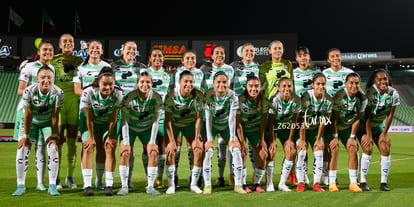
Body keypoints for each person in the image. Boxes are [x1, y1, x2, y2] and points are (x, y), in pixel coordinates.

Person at [12, 65, 64, 196]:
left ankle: (52, 185)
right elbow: (28, 114)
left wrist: (53, 135)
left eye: (49, 77)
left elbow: (54, 116)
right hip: (33, 121)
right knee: (22, 148)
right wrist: (26, 135)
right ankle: (20, 185)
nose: (46, 80)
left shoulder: (58, 93)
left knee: (53, 148)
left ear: (53, 79)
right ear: (37, 79)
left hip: (47, 122)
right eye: (43, 77)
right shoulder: (29, 91)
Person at [13, 41, 55, 191]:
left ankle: (40, 183)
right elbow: (20, 90)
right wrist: (36, 92)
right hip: (26, 111)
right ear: (38, 52)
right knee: (23, 146)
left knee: (42, 148)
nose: (48, 52)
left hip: (44, 112)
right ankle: (20, 184)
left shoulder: (52, 68)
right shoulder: (29, 67)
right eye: (45, 50)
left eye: (50, 50)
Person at [79, 67, 124, 196]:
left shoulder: (119, 94)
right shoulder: (88, 92)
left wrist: (110, 135)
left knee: (109, 147)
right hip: (89, 120)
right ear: (98, 82)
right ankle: (87, 185)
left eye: (111, 84)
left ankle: (107, 185)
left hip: (107, 122)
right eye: (105, 84)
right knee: (89, 147)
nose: (108, 87)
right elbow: (89, 117)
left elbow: (114, 117)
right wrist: (91, 136)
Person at [119, 71, 163, 195]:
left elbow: (155, 121)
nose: (145, 84)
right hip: (130, 127)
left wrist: (152, 141)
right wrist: (126, 141)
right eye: (142, 82)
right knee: (125, 152)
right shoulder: (128, 97)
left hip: (147, 128)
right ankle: (124, 186)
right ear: (137, 83)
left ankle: (150, 186)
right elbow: (124, 121)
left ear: (152, 84)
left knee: (153, 151)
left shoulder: (157, 98)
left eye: (148, 82)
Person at [203, 71, 246, 194]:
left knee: (236, 151)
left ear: (228, 83)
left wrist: (232, 138)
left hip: (226, 126)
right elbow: (208, 118)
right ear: (213, 83)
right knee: (209, 151)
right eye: (218, 82)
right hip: (212, 126)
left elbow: (232, 118)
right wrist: (210, 139)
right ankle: (207, 185)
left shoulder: (232, 95)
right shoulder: (208, 95)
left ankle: (238, 185)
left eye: (224, 82)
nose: (221, 85)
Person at [50, 33, 84, 189]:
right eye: (65, 41)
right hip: (59, 104)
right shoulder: (53, 60)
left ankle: (70, 177)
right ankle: (55, 178)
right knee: (57, 142)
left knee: (72, 142)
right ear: (60, 44)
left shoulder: (80, 61)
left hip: (74, 104)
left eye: (71, 41)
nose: (68, 43)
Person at [112, 40, 146, 189]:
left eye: (134, 49)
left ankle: (129, 180)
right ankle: (105, 179)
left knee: (130, 147)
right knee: (112, 146)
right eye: (129, 49)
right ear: (122, 50)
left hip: (135, 113)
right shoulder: (113, 67)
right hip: (117, 112)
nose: (132, 51)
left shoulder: (142, 68)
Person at [324, 73, 367, 192]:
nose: (354, 85)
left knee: (353, 148)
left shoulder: (363, 98)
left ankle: (353, 182)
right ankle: (332, 182)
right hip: (334, 128)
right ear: (346, 84)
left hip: (348, 129)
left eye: (357, 83)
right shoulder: (340, 96)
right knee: (334, 149)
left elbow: (357, 118)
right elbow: (334, 119)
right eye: (351, 83)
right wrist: (335, 137)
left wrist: (352, 137)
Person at [358, 69, 399, 191]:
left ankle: (383, 183)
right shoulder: (370, 93)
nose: (383, 81)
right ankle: (363, 181)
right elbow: (368, 115)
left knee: (385, 148)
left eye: (385, 79)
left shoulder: (394, 94)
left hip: (379, 126)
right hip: (364, 125)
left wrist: (384, 134)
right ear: (374, 82)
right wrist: (369, 135)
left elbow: (390, 115)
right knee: (368, 147)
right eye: (379, 79)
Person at [164, 70, 205, 194]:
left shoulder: (198, 95)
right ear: (179, 82)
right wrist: (171, 141)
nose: (188, 84)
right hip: (174, 125)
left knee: (198, 149)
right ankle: (171, 185)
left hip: (189, 125)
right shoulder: (171, 95)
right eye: (185, 81)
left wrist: (197, 137)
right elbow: (167, 121)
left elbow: (199, 117)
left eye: (191, 82)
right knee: (171, 150)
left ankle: (193, 184)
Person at [200, 45, 235, 186]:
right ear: (212, 56)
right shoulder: (204, 70)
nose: (220, 55)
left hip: (225, 112)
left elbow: (229, 89)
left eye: (222, 53)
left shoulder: (230, 70)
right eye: (217, 53)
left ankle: (223, 177)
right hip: (208, 111)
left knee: (224, 146)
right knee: (206, 145)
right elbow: (202, 89)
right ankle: (203, 177)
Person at [141, 48, 173, 188]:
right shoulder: (144, 74)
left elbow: (171, 94)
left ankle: (159, 177)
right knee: (146, 147)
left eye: (160, 56)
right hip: (146, 114)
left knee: (161, 146)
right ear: (149, 58)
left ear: (163, 58)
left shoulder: (168, 76)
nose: (157, 58)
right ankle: (149, 177)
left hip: (162, 114)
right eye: (154, 56)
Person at [321, 48, 354, 185]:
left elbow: (356, 92)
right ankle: (328, 174)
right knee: (328, 148)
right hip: (329, 116)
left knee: (352, 146)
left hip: (345, 117)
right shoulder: (324, 74)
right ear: (328, 60)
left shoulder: (349, 73)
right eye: (332, 56)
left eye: (338, 56)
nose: (336, 58)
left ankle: (354, 178)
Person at [296, 73, 333, 192]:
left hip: (315, 131)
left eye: (323, 84)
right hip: (302, 130)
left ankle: (316, 183)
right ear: (312, 85)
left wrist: (318, 139)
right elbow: (302, 120)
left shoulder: (328, 100)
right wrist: (302, 140)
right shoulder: (306, 97)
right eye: (318, 84)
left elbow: (323, 121)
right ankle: (300, 183)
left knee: (319, 152)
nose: (321, 86)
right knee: (301, 153)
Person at [229, 43, 260, 187]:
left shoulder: (257, 67)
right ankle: (233, 173)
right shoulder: (234, 66)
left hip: (253, 109)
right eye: (247, 51)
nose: (249, 53)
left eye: (252, 51)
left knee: (254, 147)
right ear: (241, 53)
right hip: (237, 108)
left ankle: (255, 173)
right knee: (233, 144)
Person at [173, 50, 204, 187]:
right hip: (178, 112)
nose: (190, 60)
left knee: (194, 144)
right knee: (176, 144)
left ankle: (195, 175)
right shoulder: (177, 73)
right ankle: (174, 175)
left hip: (194, 112)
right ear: (183, 60)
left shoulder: (200, 73)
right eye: (188, 58)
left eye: (193, 58)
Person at [293, 46, 320, 186]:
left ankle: (321, 176)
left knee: (318, 147)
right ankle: (303, 177)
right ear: (297, 58)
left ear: (309, 57)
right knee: (302, 148)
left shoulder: (316, 73)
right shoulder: (292, 74)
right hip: (299, 115)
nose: (303, 57)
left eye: (305, 55)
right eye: (300, 55)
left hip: (314, 114)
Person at [236, 75, 269, 193]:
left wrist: (262, 139)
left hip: (255, 130)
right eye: (251, 86)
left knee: (263, 154)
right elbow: (238, 123)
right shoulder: (240, 100)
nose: (253, 89)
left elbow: (263, 122)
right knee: (242, 153)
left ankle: (256, 184)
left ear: (260, 87)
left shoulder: (264, 101)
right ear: (246, 87)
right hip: (242, 130)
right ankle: (243, 184)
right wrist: (242, 142)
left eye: (256, 86)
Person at [268, 77, 301, 192]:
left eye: (289, 86)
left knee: (291, 150)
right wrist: (272, 140)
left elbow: (294, 121)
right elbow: (271, 122)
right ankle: (269, 183)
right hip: (273, 127)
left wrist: (291, 139)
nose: (287, 89)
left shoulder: (296, 100)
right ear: (278, 88)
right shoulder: (274, 100)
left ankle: (282, 183)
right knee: (271, 151)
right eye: (284, 86)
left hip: (286, 128)